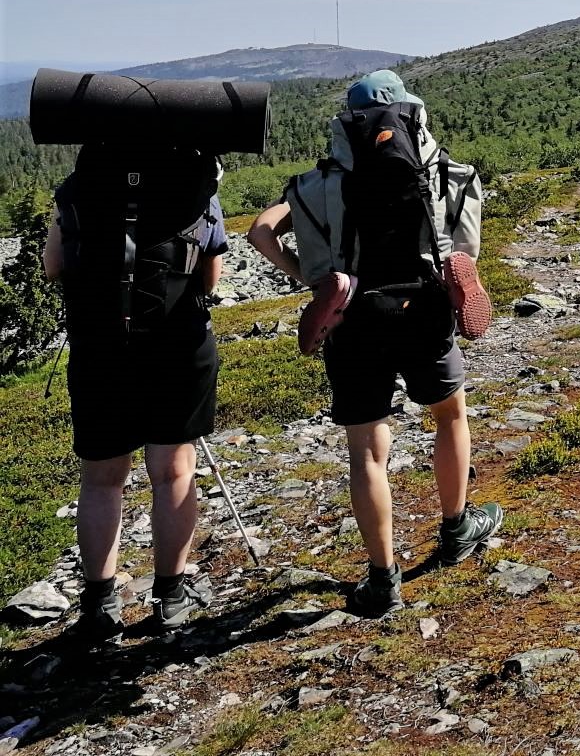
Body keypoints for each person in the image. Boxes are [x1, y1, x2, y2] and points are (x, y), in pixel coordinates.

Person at [249, 71, 500, 617]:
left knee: (367, 449)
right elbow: (468, 251)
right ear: (414, 113)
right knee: (449, 416)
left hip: (353, 319)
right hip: (424, 309)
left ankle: (382, 580)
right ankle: (457, 529)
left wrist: (305, 274)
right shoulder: (452, 175)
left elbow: (259, 232)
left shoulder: (313, 187)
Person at [43, 145, 228, 640]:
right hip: (178, 345)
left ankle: (100, 604)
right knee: (172, 471)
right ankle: (170, 595)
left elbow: (53, 266)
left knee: (102, 479)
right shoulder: (197, 187)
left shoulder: (78, 190)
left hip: (99, 348)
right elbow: (209, 277)